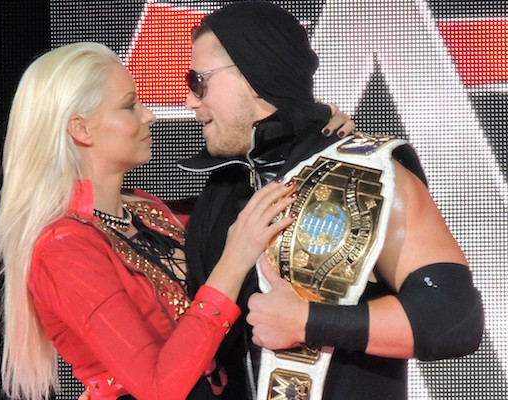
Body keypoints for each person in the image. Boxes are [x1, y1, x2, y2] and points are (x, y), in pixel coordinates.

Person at [177, 2, 484, 400]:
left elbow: (454, 316)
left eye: (198, 81)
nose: (189, 101)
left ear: (253, 76)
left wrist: (309, 321)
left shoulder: (368, 174)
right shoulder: (218, 193)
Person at [0, 41, 311, 400]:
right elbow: (159, 388)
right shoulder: (63, 249)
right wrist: (233, 262)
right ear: (81, 128)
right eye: (129, 106)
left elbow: (246, 201)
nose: (149, 116)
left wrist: (316, 134)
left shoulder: (148, 211)